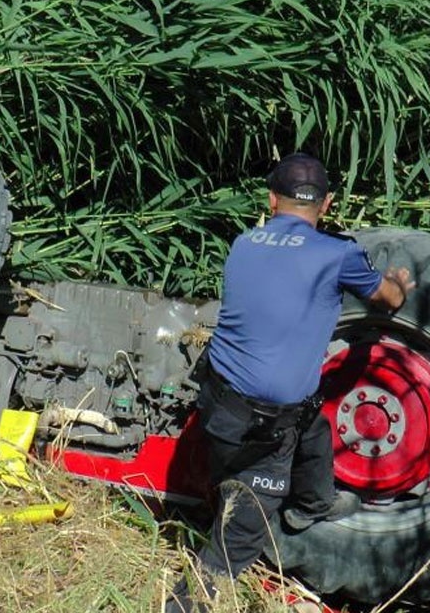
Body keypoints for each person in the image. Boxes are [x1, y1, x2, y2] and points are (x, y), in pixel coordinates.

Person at [167, 153, 414, 612]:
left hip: (218, 399)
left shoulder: (244, 242)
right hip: (260, 426)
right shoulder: (337, 254)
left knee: (310, 418)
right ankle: (184, 605)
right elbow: (387, 301)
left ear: (272, 199)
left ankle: (314, 503)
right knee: (240, 535)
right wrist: (398, 280)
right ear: (327, 204)